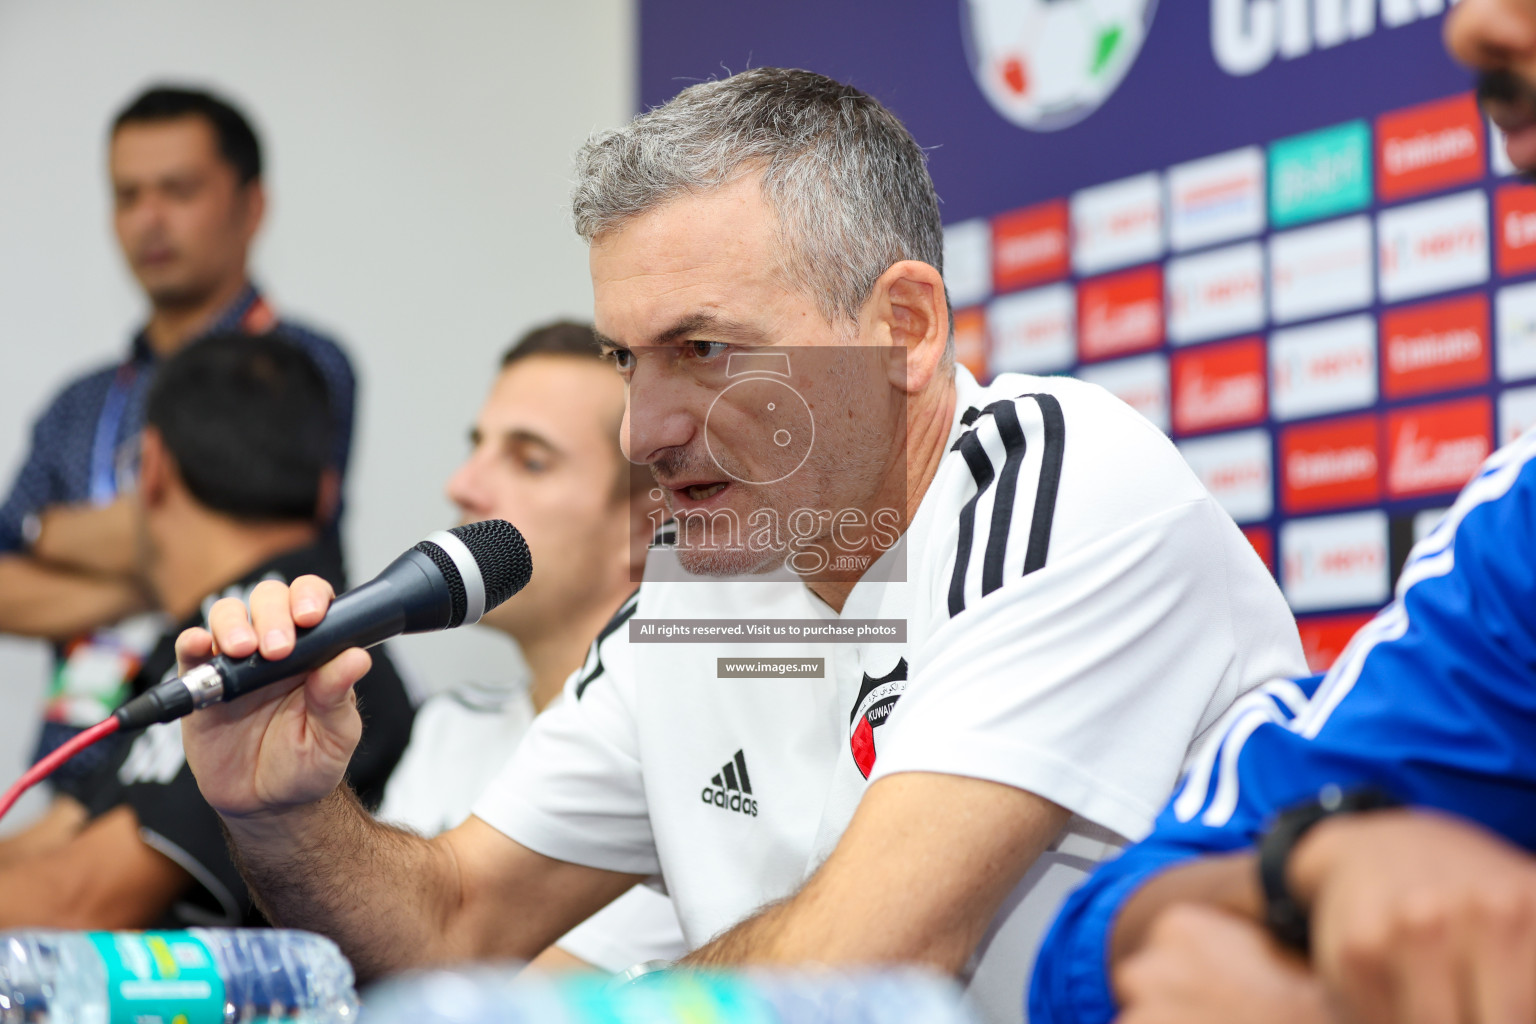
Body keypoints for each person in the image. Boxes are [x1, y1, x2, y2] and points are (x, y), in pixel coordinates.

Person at [177, 68, 1304, 1023]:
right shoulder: (701, 587)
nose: (644, 431)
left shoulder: (1062, 478)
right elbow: (452, 924)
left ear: (902, 329)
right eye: (630, 360)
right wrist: (284, 814)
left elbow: (870, 967)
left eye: (706, 348)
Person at [1027, 7, 1536, 1022]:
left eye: (709, 347)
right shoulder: (1520, 534)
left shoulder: (1070, 490)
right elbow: (1106, 938)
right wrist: (1310, 870)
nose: (1473, 26)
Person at [0, 84, 357, 815]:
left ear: (252, 206)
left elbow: (271, 555)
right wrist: (168, 579)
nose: (148, 220)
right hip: (76, 756)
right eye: (127, 194)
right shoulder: (81, 401)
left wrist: (56, 534)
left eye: (178, 190)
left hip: (222, 756)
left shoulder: (297, 369)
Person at [0, 333, 409, 929]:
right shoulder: (212, 633)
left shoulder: (270, 647)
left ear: (154, 466)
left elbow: (77, 900)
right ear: (327, 491)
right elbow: (62, 834)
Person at [375, 320, 685, 971]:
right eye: (477, 447)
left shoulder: (674, 762)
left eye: (529, 459)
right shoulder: (448, 728)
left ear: (646, 525)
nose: (462, 486)